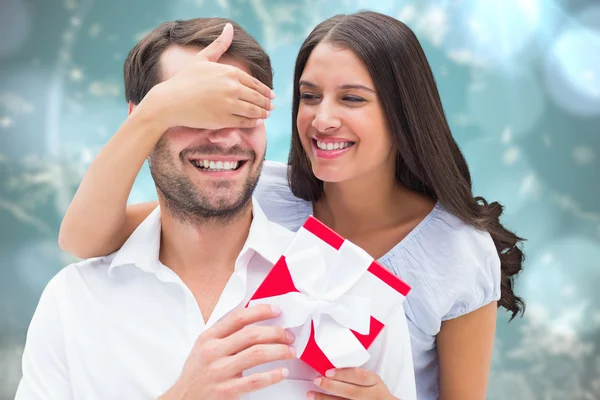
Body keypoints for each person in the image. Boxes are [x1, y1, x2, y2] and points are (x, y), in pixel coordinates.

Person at [58, 10, 525, 400]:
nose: (323, 119)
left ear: (402, 111)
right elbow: (86, 237)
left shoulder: (459, 251)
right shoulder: (262, 194)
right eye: (309, 96)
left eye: (352, 98)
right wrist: (156, 110)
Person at [17, 18, 417, 400]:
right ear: (139, 121)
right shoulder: (73, 302)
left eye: (243, 111)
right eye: (192, 111)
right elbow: (80, 234)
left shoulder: (349, 291)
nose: (225, 137)